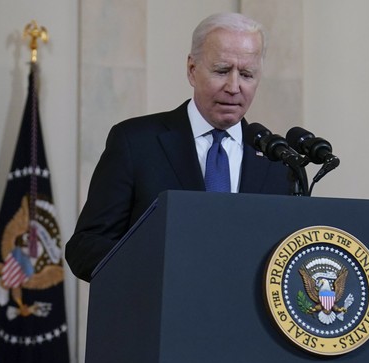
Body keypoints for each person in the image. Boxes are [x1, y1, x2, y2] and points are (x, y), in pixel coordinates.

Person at [65, 12, 293, 282]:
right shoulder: (135, 142)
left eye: (246, 74)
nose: (234, 87)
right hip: (159, 315)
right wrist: (163, 267)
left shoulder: (277, 159)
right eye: (222, 71)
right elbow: (85, 247)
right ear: (192, 70)